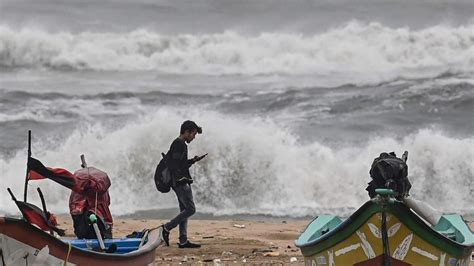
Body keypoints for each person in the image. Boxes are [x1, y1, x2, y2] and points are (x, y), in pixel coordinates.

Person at [161, 120, 206, 248]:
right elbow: (175, 166)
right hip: (180, 182)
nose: (194, 137)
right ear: (186, 132)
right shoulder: (178, 144)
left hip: (179, 181)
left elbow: (179, 164)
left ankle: (183, 240)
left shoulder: (179, 144)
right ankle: (167, 228)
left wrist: (193, 160)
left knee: (184, 210)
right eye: (193, 134)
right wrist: (181, 180)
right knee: (191, 209)